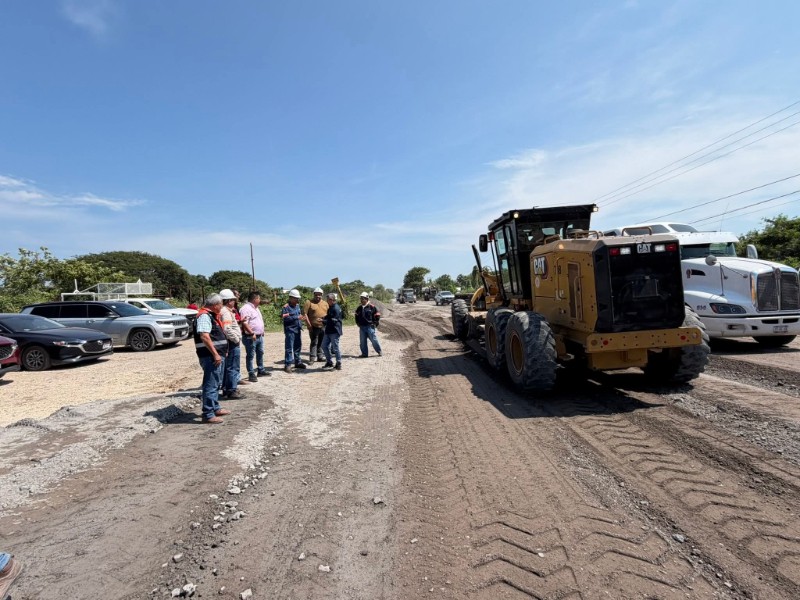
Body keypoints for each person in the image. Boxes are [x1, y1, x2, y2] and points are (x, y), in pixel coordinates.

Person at [194, 294, 231, 424]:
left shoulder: (210, 315)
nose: (222, 307)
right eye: (221, 304)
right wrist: (215, 354)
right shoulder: (204, 316)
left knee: (216, 383)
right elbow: (204, 336)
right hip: (211, 357)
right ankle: (208, 414)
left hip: (216, 355)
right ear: (215, 305)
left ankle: (214, 408)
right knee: (211, 384)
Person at [219, 289, 244, 399]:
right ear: (229, 301)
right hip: (232, 343)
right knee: (232, 366)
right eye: (233, 300)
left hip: (230, 343)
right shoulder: (225, 312)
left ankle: (226, 389)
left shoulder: (225, 311)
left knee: (228, 367)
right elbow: (227, 329)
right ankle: (231, 390)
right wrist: (236, 339)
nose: (234, 302)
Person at [239, 291, 269, 382]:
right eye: (259, 298)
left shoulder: (256, 308)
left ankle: (261, 370)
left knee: (260, 353)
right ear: (255, 299)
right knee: (251, 355)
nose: (260, 300)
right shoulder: (246, 308)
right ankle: (251, 373)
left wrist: (261, 331)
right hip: (250, 336)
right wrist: (252, 333)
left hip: (259, 336)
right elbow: (244, 323)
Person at [281, 289, 309, 372]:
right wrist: (296, 317)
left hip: (297, 329)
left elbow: (299, 315)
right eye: (296, 298)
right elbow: (285, 318)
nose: (297, 300)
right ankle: (288, 365)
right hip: (290, 330)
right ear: (291, 298)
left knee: (298, 347)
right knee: (289, 348)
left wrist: (301, 318)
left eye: (298, 298)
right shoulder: (286, 307)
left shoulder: (297, 306)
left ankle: (298, 362)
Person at [303, 287, 328, 363]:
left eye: (319, 295)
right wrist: (309, 325)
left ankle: (320, 356)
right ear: (314, 295)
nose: (318, 296)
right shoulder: (309, 302)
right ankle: (312, 358)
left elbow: (328, 314)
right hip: (313, 327)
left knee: (321, 342)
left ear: (322, 295)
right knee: (314, 342)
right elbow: (304, 314)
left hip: (323, 326)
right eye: (316, 295)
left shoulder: (325, 303)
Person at [355, 291, 382, 357]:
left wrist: (375, 323)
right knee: (362, 342)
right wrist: (358, 323)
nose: (361, 300)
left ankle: (379, 351)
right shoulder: (359, 308)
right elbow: (356, 316)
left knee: (374, 340)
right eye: (361, 298)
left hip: (370, 327)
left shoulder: (372, 307)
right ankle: (364, 354)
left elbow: (377, 315)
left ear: (367, 299)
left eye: (363, 298)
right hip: (362, 328)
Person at [321, 292, 343, 370]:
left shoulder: (336, 308)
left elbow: (334, 320)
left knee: (335, 348)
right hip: (329, 330)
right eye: (327, 299)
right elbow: (329, 316)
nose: (327, 301)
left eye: (329, 299)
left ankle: (338, 363)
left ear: (333, 300)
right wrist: (324, 318)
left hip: (335, 330)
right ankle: (329, 362)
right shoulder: (331, 307)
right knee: (324, 345)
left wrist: (324, 321)